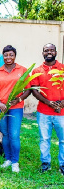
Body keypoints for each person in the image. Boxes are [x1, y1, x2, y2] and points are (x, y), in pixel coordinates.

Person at [0, 45, 31, 173]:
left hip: (16, 107)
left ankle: (15, 162)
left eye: (11, 55)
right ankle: (7, 159)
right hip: (0, 108)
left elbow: (28, 89)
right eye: (6, 55)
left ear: (15, 56)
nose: (8, 57)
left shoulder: (22, 70)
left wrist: (18, 99)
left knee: (14, 134)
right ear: (3, 56)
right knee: (5, 134)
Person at [31, 43, 64, 174]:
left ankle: (63, 164)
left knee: (63, 140)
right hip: (44, 112)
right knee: (44, 139)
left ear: (56, 52)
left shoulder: (62, 69)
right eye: (46, 50)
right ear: (43, 53)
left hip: (62, 113)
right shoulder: (37, 71)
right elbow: (34, 90)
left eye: (51, 50)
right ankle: (45, 163)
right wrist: (48, 103)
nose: (49, 52)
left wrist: (62, 103)